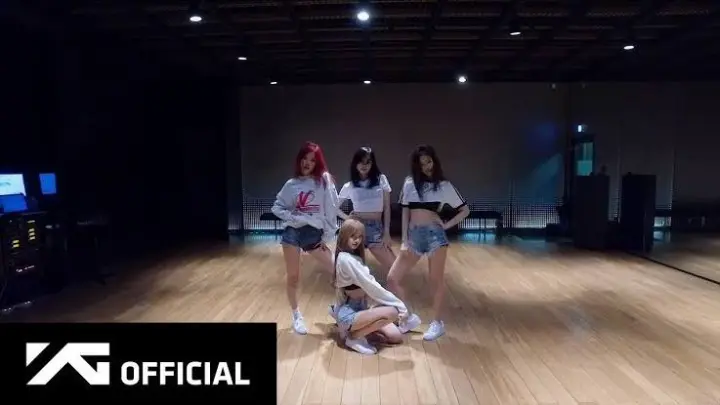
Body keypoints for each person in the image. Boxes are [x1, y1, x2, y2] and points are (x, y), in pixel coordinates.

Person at [386, 144, 470, 341]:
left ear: (434, 161)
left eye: (429, 161)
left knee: (435, 281)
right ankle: (407, 317)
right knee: (392, 278)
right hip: (413, 237)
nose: (426, 166)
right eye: (422, 163)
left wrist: (446, 225)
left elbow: (465, 210)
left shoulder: (444, 186)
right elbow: (405, 211)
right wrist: (404, 240)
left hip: (435, 236)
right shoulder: (409, 183)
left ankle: (437, 323)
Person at [271, 141, 340, 335]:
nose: (307, 163)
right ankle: (296, 316)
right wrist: (292, 217)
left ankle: (341, 309)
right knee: (293, 277)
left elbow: (331, 209)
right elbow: (277, 207)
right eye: (304, 158)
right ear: (299, 160)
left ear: (317, 163)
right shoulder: (291, 184)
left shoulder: (323, 181)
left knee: (338, 270)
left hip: (314, 234)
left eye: (312, 160)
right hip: (292, 233)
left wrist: (327, 236)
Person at [331, 219, 409, 354]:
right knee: (393, 312)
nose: (357, 240)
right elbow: (371, 286)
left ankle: (356, 330)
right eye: (352, 236)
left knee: (395, 336)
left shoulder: (353, 257)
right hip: (349, 314)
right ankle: (353, 337)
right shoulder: (345, 259)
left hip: (361, 308)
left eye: (360, 236)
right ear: (344, 236)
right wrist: (400, 305)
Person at [337, 147, 396, 272]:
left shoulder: (381, 180)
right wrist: (347, 218)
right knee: (352, 269)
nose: (364, 165)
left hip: (375, 227)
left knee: (394, 266)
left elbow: (387, 207)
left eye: (368, 162)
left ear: (372, 164)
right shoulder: (350, 185)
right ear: (355, 163)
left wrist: (387, 232)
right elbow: (333, 207)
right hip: (356, 228)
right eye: (361, 162)